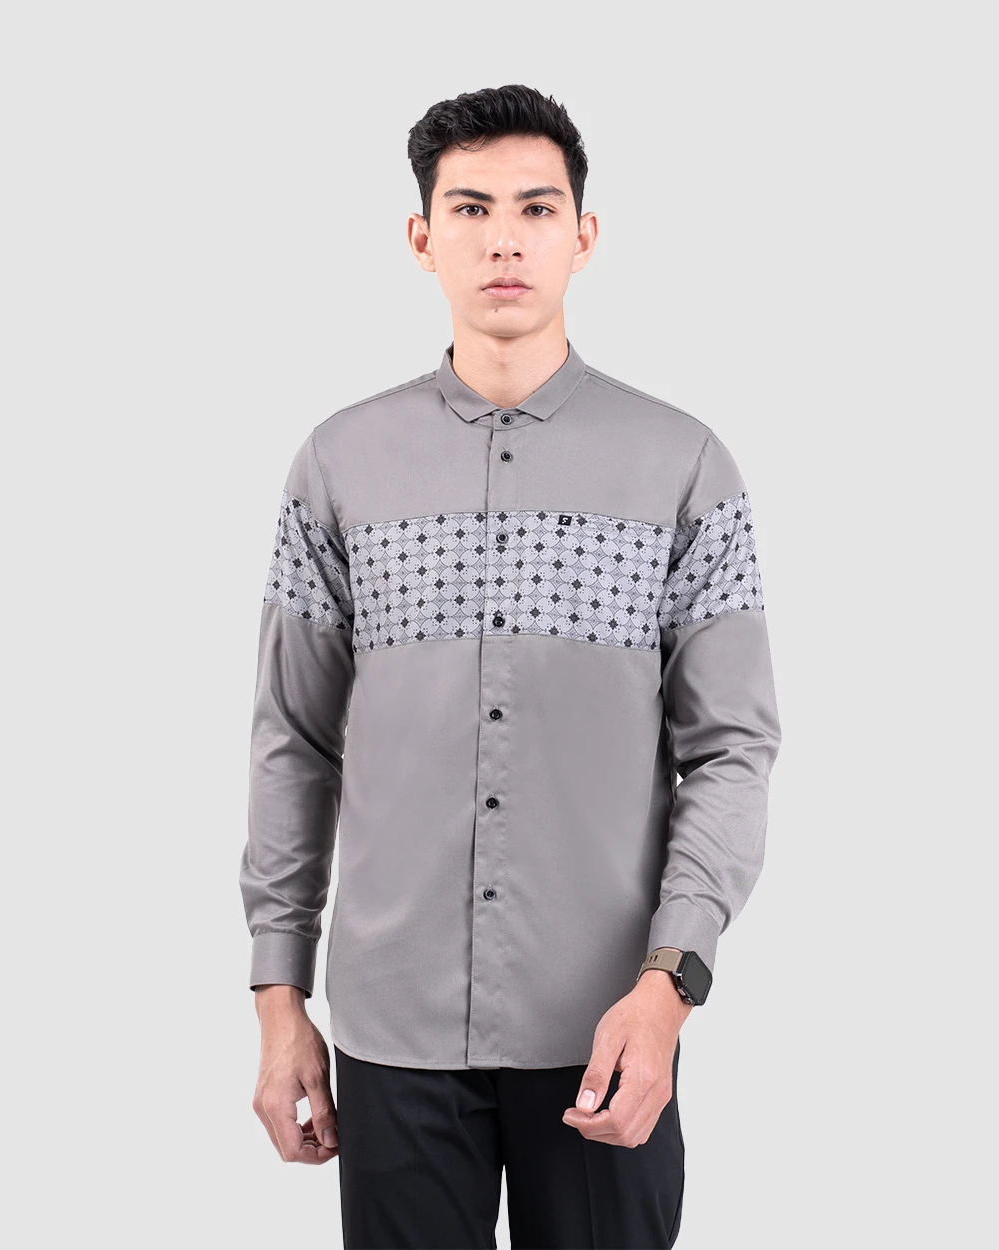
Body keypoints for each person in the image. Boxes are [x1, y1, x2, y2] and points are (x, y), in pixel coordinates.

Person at [239, 83, 781, 1249]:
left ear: (583, 236)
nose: (503, 239)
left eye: (536, 208)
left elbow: (731, 751)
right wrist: (279, 999)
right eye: (470, 208)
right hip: (392, 1027)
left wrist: (669, 984)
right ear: (420, 236)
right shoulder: (338, 464)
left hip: (608, 1025)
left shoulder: (683, 465)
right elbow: (294, 740)